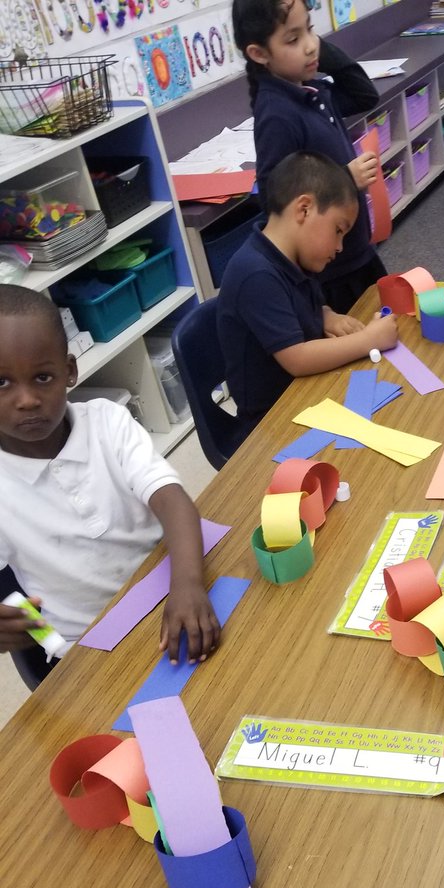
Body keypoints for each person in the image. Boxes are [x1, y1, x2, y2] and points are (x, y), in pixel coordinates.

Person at [0, 286, 219, 672]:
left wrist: (186, 583)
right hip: (90, 650)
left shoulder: (107, 422)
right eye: (2, 383)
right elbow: (14, 608)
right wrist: (28, 631)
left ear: (70, 371)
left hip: (171, 590)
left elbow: (172, 499)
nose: (26, 400)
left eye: (43, 377)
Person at [217, 151, 398, 442]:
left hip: (306, 393)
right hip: (273, 424)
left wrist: (325, 314)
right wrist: (370, 340)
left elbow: (301, 299)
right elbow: (298, 359)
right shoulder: (255, 273)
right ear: (304, 209)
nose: (339, 246)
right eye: (338, 230)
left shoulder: (294, 255)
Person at [233, 0, 386, 312]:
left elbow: (364, 94)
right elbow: (275, 199)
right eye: (292, 39)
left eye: (311, 30)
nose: (309, 46)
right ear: (260, 54)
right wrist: (346, 178)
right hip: (330, 275)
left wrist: (309, 45)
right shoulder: (278, 114)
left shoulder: (310, 91)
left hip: (356, 253)